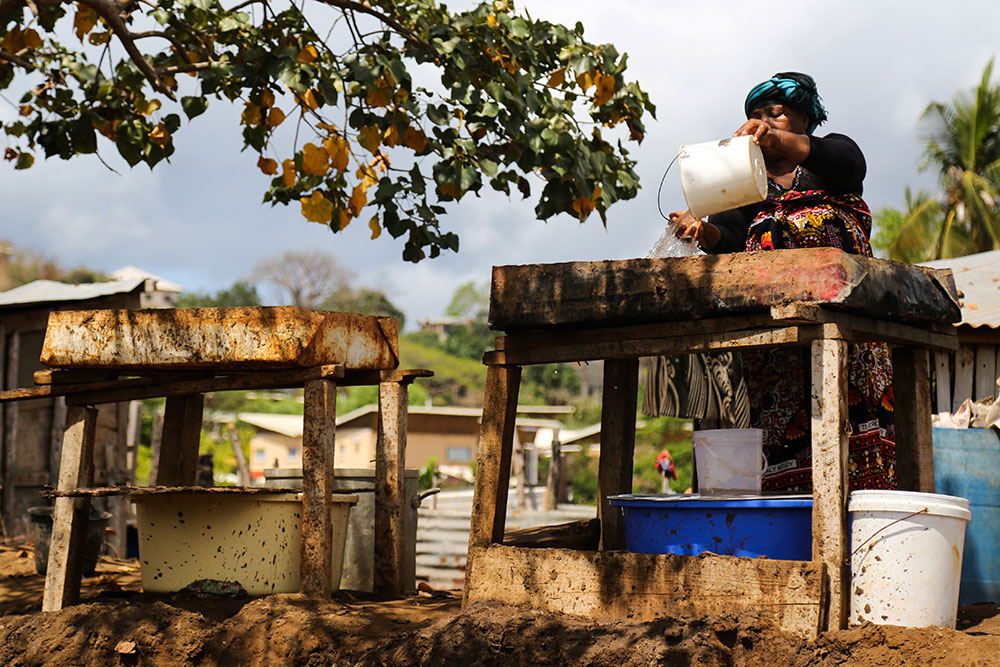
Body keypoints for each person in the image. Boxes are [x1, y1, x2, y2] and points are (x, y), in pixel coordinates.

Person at [668, 72, 896, 493]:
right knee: (786, 427)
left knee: (853, 423)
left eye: (777, 114)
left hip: (847, 322)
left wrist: (774, 139)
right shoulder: (742, 183)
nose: (766, 123)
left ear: (804, 119)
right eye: (757, 116)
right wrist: (701, 231)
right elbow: (732, 237)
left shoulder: (833, 159)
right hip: (779, 332)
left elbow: (849, 165)